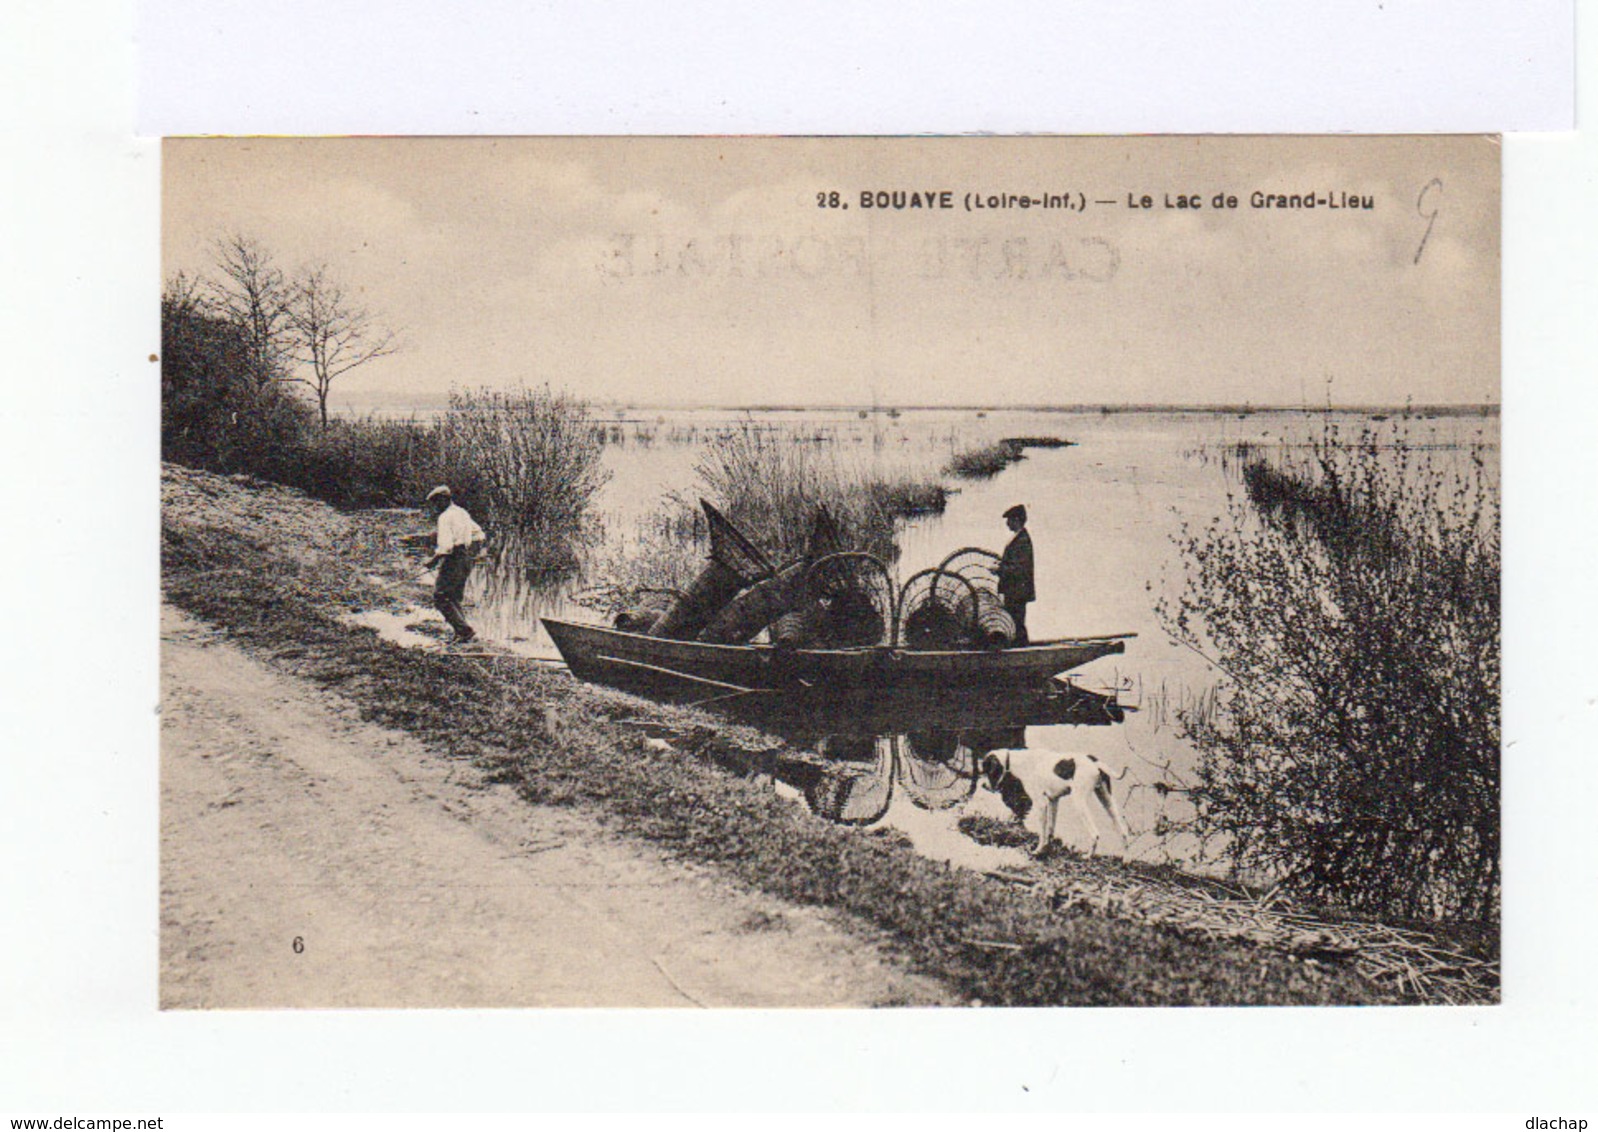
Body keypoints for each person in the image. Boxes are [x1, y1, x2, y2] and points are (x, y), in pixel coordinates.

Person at [423, 485, 486, 643]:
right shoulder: (462, 512)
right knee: (455, 596)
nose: (435, 507)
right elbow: (479, 534)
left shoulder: (445, 517)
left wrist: (433, 561)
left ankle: (464, 632)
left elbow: (446, 546)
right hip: (466, 557)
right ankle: (462, 632)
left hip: (454, 558)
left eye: (437, 502)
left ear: (445, 499)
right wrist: (472, 554)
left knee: (441, 596)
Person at [996, 503, 1034, 646]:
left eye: (1009, 520)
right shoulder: (1018, 538)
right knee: (1015, 622)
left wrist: (999, 570)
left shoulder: (1022, 540)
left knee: (1017, 622)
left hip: (1018, 590)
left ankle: (1021, 652)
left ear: (1017, 520)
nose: (1007, 524)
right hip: (1015, 589)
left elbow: (1019, 569)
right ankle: (1019, 648)